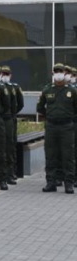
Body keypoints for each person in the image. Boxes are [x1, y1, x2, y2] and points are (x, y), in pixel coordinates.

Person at [38, 63, 77, 194]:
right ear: (53, 73)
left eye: (61, 71)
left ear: (64, 73)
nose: (59, 73)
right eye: (56, 71)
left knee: (68, 155)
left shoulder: (72, 91)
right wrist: (50, 116)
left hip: (67, 127)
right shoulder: (47, 90)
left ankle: (69, 183)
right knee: (50, 154)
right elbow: (40, 108)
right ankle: (51, 182)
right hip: (51, 126)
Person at [1, 66, 24, 183]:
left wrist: (12, 114)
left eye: (6, 74)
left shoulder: (14, 88)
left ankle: (11, 172)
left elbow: (20, 104)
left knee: (10, 146)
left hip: (10, 119)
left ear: (10, 75)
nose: (4, 76)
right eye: (2, 73)